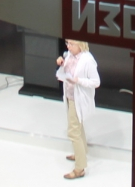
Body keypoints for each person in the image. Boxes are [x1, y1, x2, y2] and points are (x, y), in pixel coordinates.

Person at [56, 39, 100, 179]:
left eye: (71, 44)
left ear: (80, 45)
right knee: (78, 126)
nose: (68, 46)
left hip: (78, 99)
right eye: (67, 43)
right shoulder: (69, 55)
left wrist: (78, 81)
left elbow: (96, 82)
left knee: (73, 131)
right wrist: (62, 63)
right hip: (70, 95)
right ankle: (81, 152)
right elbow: (66, 68)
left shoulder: (88, 60)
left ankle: (80, 168)